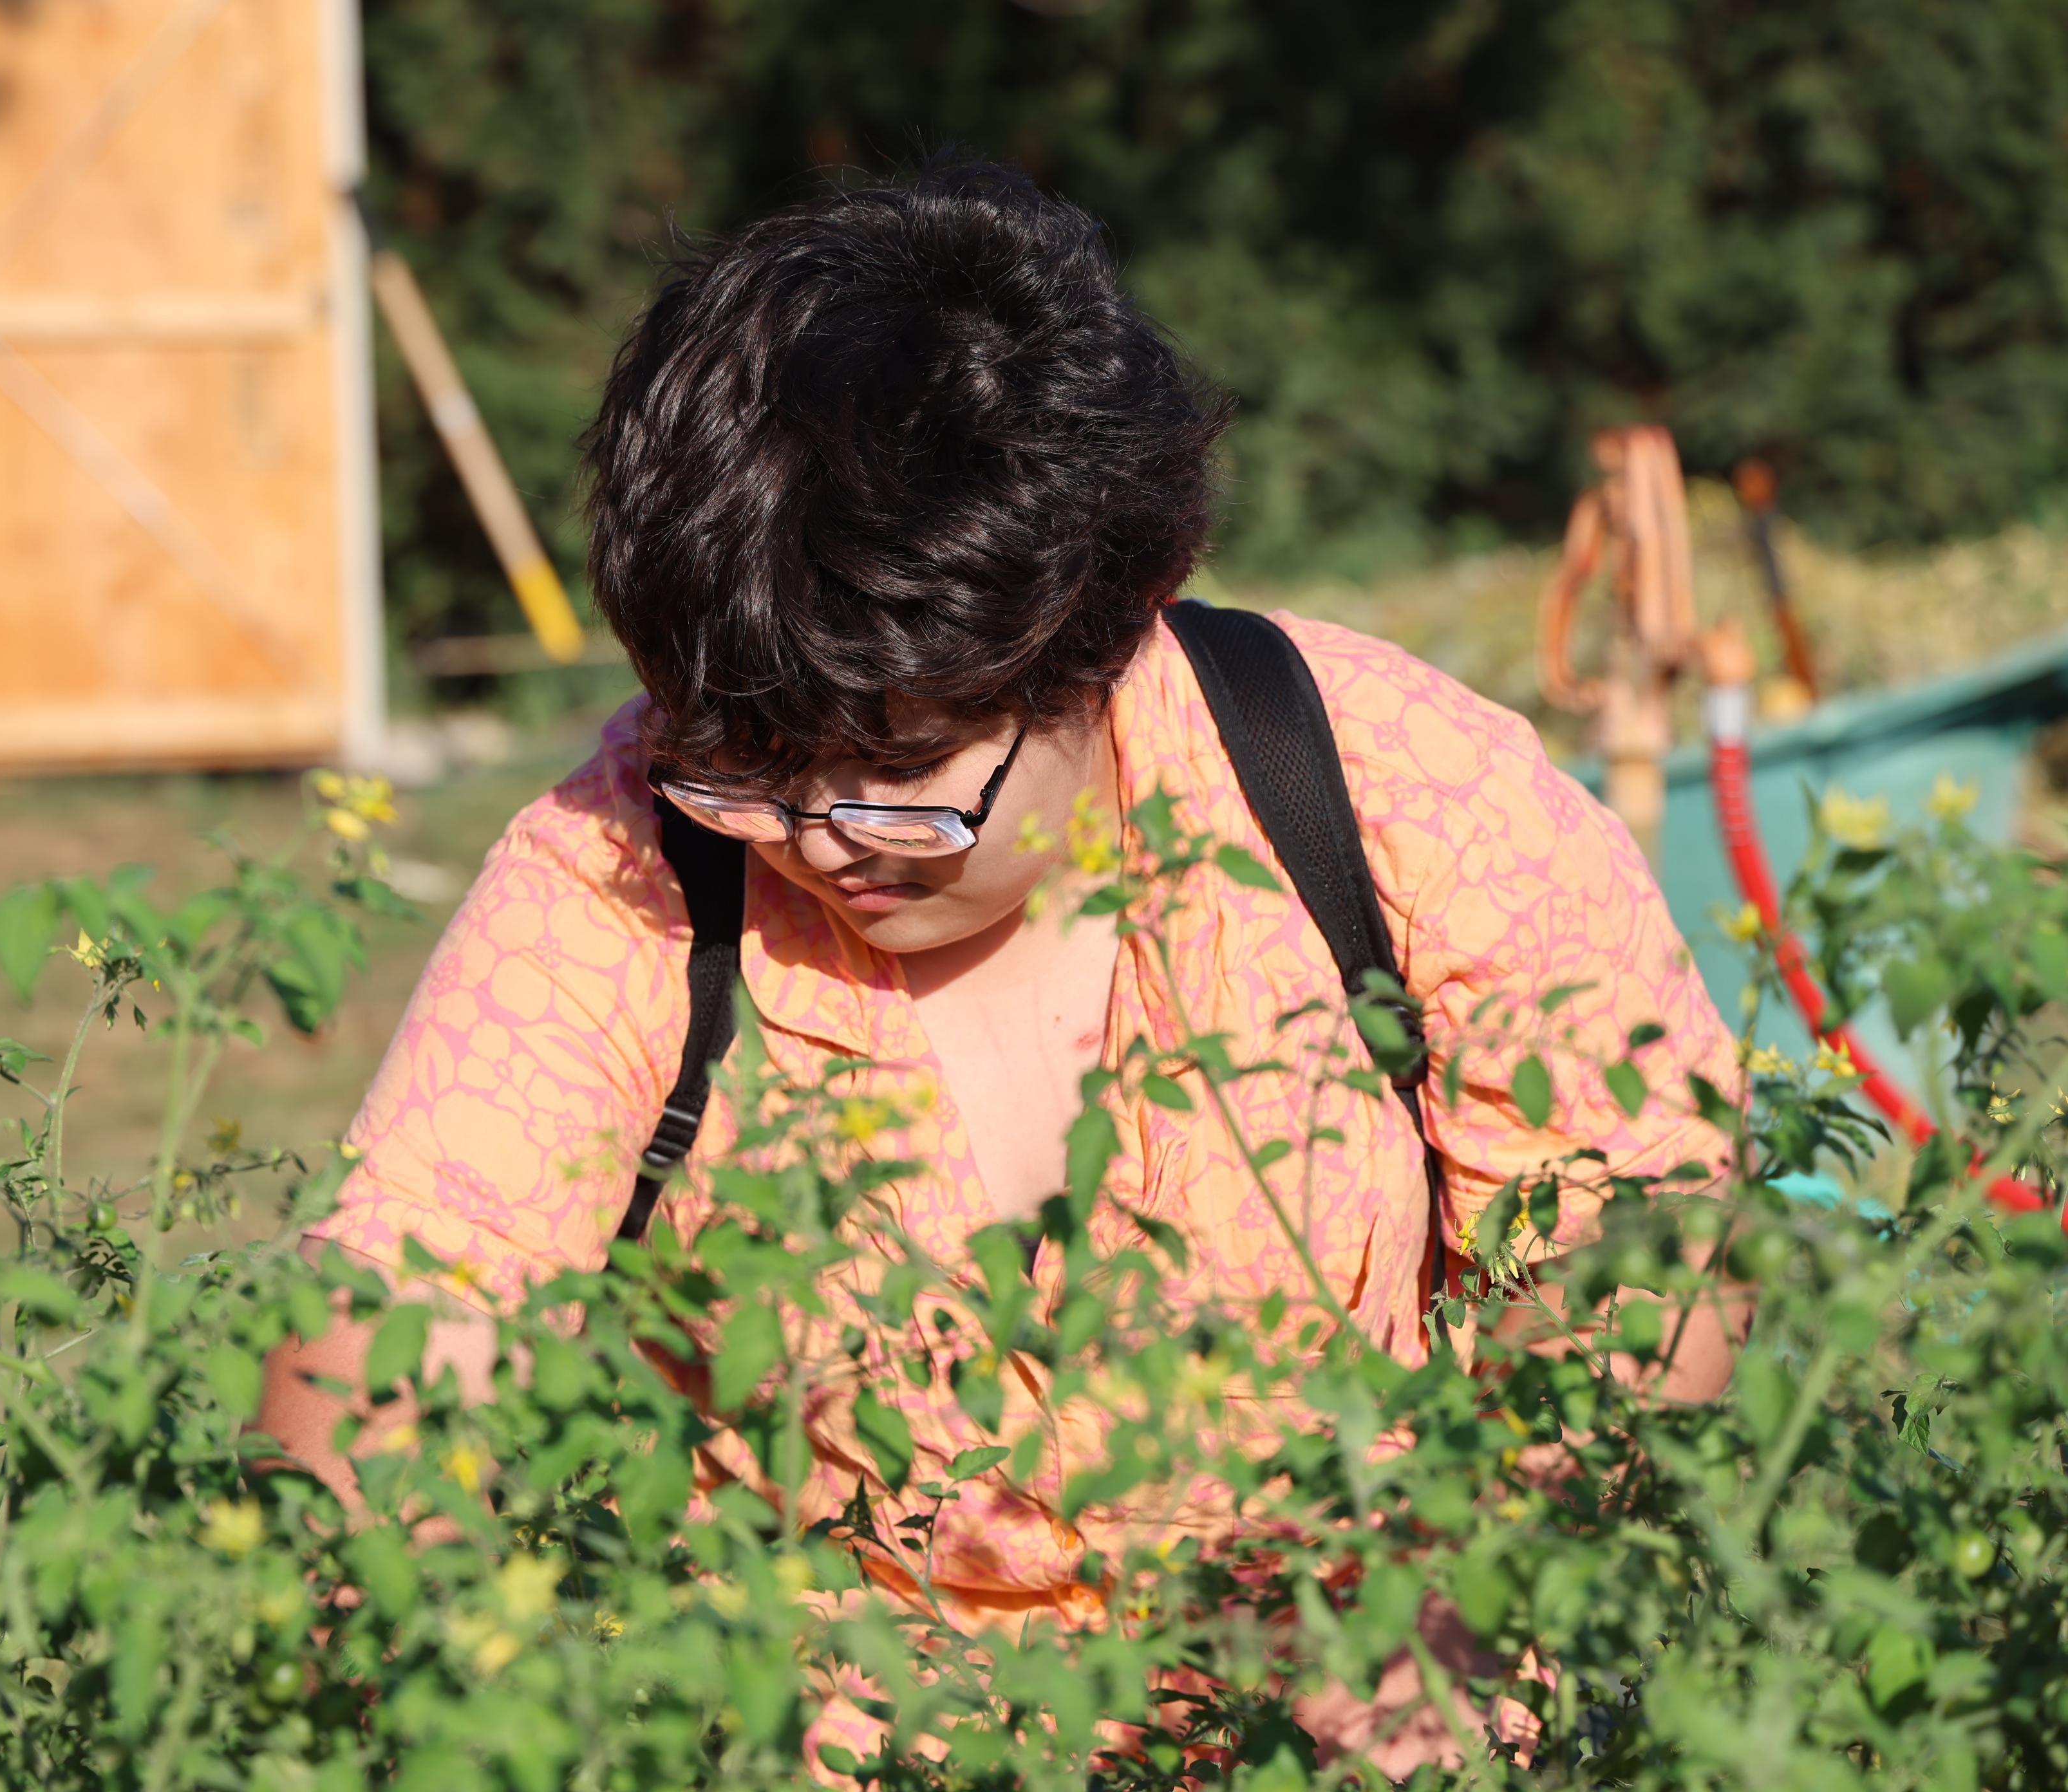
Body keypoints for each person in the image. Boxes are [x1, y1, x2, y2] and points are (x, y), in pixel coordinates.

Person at [258, 164, 1744, 1766]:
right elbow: (394, 1333)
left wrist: (1451, 1596)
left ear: (1104, 634)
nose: (821, 837)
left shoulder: (1380, 781)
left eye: (903, 772)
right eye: (745, 760)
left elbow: (1638, 1254)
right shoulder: (620, 868)